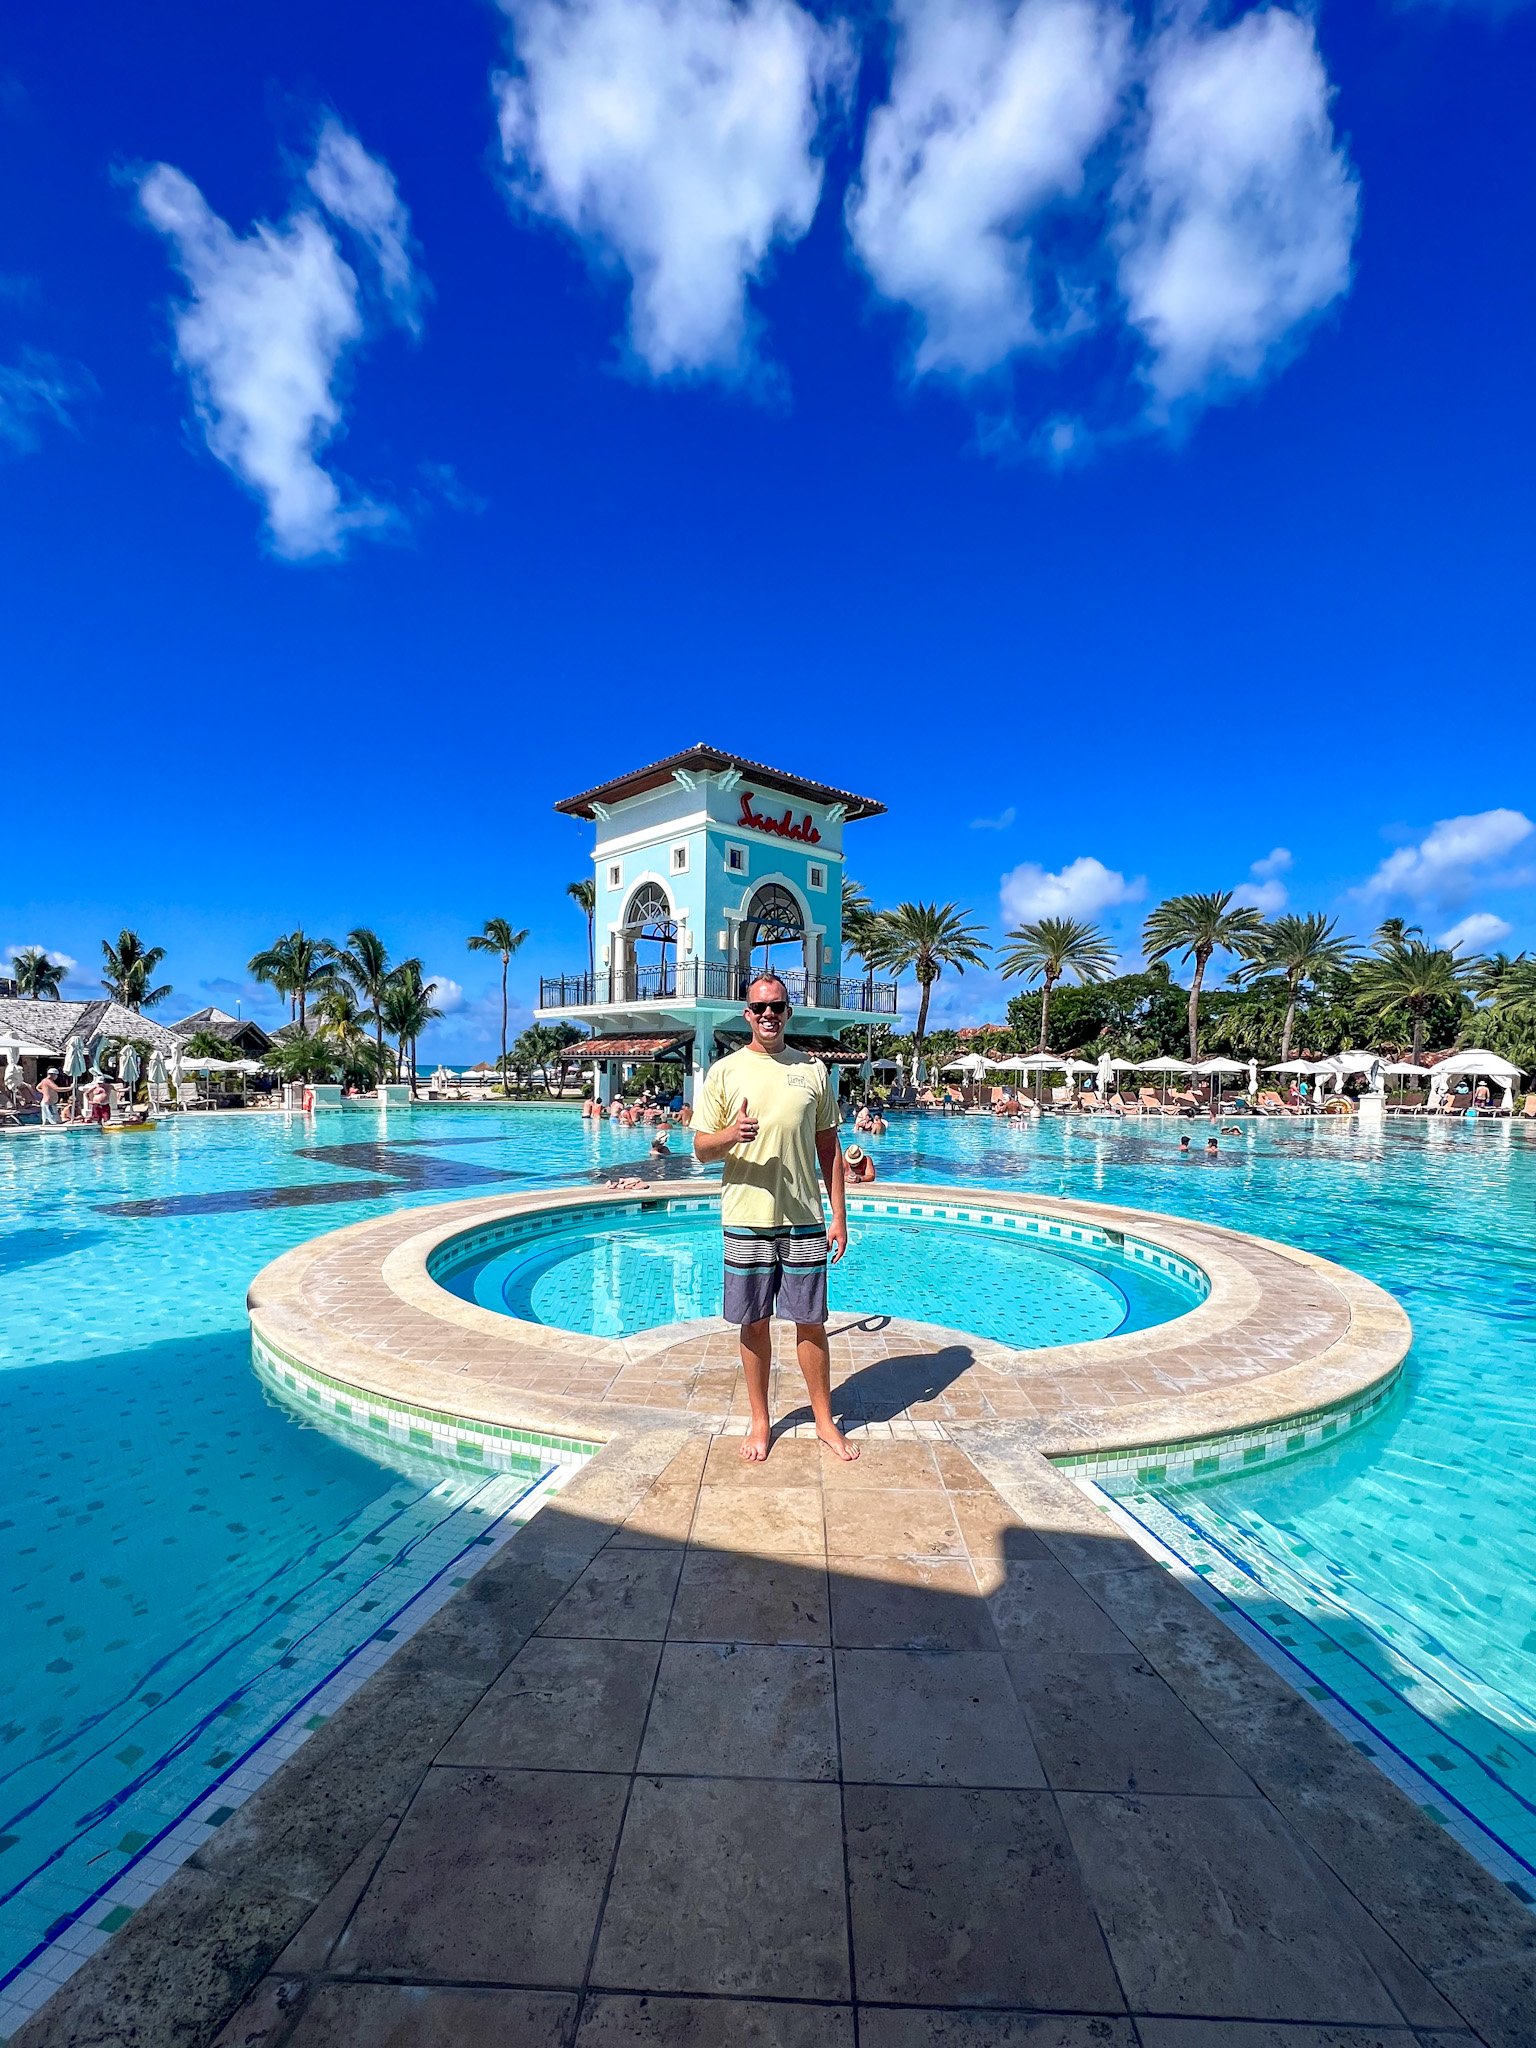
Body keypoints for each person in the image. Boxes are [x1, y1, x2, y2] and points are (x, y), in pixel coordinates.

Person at [693, 971, 856, 1464]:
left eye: (777, 1006)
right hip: (747, 1216)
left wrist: (839, 1216)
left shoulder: (813, 1070)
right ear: (747, 1014)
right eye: (760, 1007)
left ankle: (824, 1421)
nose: (769, 1014)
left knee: (811, 1322)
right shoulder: (724, 1072)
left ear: (788, 1012)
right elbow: (701, 1148)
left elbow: (829, 1149)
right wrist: (730, 1135)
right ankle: (761, 1420)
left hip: (804, 1216)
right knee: (753, 1322)